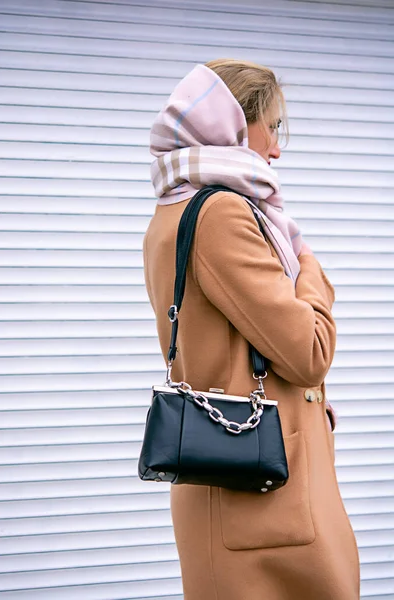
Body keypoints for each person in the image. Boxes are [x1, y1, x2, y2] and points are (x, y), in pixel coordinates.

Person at [143, 59, 360, 600]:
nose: (277, 148)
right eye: (274, 127)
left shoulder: (175, 210)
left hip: (250, 494)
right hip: (261, 510)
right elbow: (309, 352)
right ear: (236, 124)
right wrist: (309, 267)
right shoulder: (221, 214)